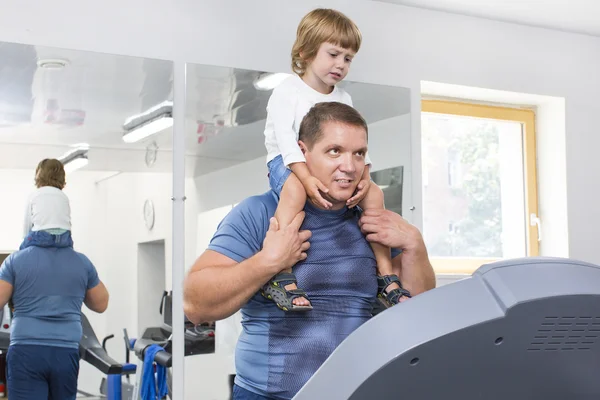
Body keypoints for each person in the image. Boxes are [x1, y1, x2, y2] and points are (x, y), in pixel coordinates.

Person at [183, 102, 436, 400]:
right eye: (334, 151)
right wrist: (268, 261)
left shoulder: (373, 222)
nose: (350, 166)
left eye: (359, 153)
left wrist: (415, 246)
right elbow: (195, 304)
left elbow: (415, 312)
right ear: (302, 153)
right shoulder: (260, 213)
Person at [262, 8, 405, 312]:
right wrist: (306, 178)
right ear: (306, 52)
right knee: (295, 190)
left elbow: (357, 143)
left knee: (376, 194)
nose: (341, 65)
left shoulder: (343, 99)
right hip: (286, 162)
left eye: (348, 58)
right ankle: (280, 273)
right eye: (334, 54)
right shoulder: (287, 91)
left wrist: (365, 176)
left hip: (323, 169)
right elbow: (288, 146)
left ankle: (385, 274)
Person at [0, 158, 110, 400]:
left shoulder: (15, 262)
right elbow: (101, 304)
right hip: (65, 352)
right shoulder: (82, 263)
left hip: (26, 351)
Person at [22, 158, 72, 237]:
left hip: (41, 236)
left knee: (24, 245)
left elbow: (27, 225)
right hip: (63, 236)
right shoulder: (64, 197)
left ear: (39, 174)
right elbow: (67, 222)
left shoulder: (35, 195)